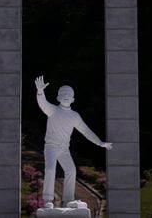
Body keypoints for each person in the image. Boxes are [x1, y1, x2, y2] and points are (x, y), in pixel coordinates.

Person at [34, 75, 113, 208]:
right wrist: (40, 92)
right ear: (58, 97)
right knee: (50, 169)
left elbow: (86, 131)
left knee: (71, 170)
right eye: (63, 93)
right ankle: (47, 200)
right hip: (51, 147)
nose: (66, 95)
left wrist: (100, 143)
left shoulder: (74, 116)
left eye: (69, 94)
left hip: (64, 149)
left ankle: (68, 199)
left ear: (73, 99)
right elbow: (43, 104)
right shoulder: (53, 110)